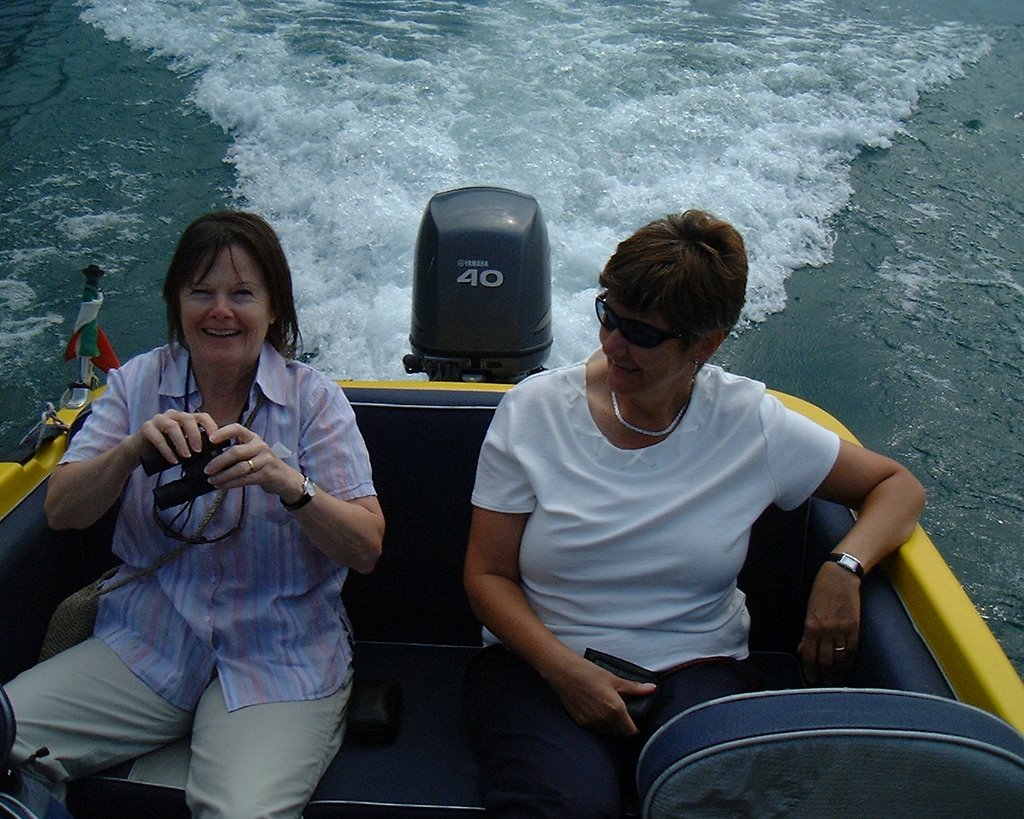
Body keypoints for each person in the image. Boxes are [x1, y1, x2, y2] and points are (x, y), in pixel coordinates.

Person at [462, 209, 926, 817]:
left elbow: (898, 485)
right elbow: (487, 575)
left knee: (709, 799)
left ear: (706, 344)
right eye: (609, 316)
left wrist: (844, 567)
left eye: (643, 334)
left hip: (696, 666)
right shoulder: (534, 411)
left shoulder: (749, 422)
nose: (612, 345)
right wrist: (562, 671)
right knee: (565, 804)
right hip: (540, 663)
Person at [4, 211, 385, 817]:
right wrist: (130, 451)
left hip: (277, 657)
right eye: (201, 292)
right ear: (176, 302)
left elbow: (366, 548)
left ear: (274, 309)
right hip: (146, 643)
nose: (220, 311)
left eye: (242, 294)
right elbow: (61, 511)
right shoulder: (135, 385)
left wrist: (290, 484)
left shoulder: (315, 401)